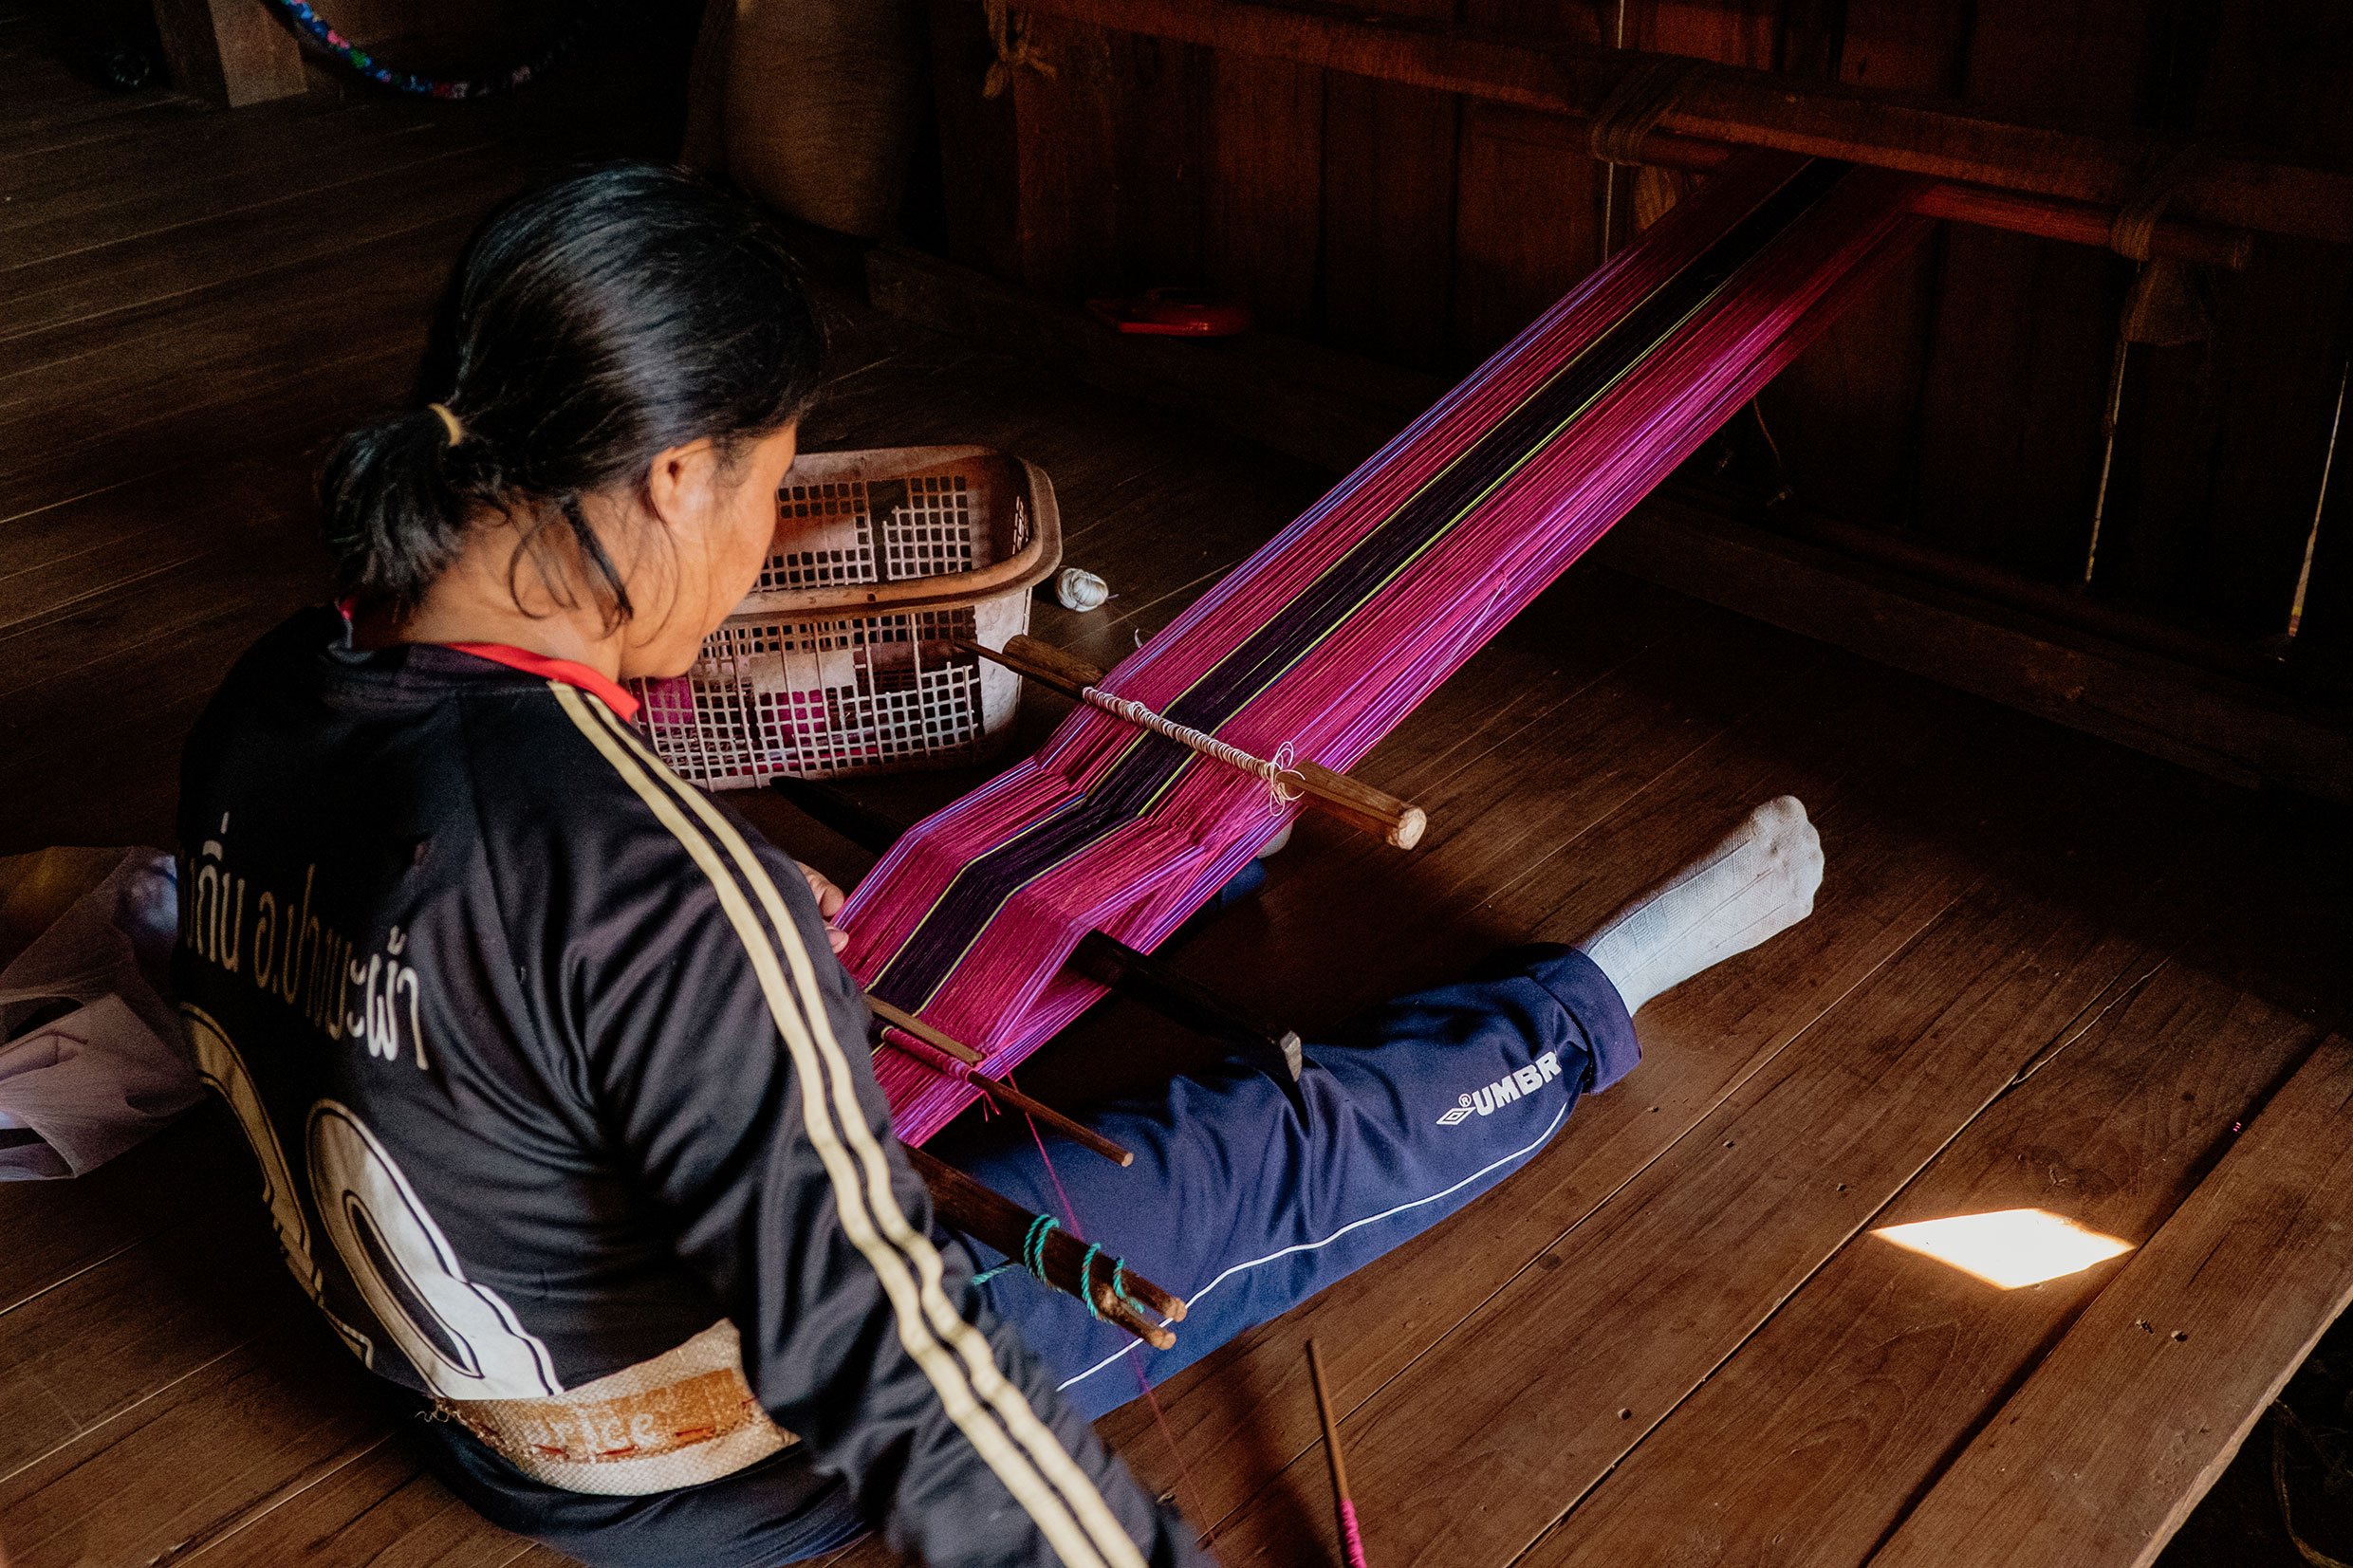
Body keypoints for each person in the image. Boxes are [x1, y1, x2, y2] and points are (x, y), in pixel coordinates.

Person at [172, 162, 1822, 1568]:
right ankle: (1595, 997)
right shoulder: (658, 890)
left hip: (466, 1413)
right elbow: (892, 1373)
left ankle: (1206, 869)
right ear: (675, 475)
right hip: (709, 1481)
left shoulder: (263, 700)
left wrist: (705, 960)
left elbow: (465, 944)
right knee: (1259, 1155)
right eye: (769, 492)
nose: (751, 557)